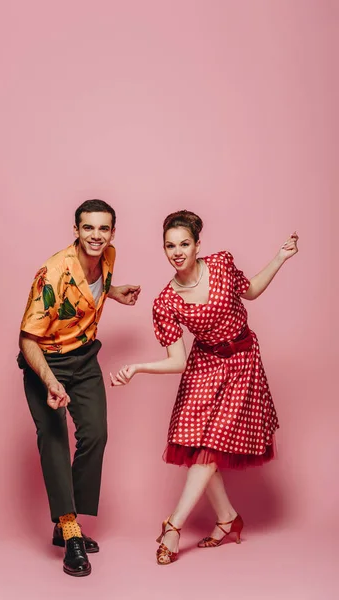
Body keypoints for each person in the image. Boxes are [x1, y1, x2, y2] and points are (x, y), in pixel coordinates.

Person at [110, 210, 298, 565]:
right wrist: (137, 368)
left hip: (242, 362)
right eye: (169, 245)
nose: (177, 251)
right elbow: (177, 360)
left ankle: (173, 526)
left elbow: (253, 291)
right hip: (203, 366)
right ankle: (227, 519)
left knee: (210, 445)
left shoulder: (223, 264)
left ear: (198, 245)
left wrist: (280, 257)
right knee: (198, 445)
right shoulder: (166, 301)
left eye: (184, 244)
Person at [18, 199, 140, 577]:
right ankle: (69, 531)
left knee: (96, 434)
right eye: (88, 228)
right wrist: (50, 381)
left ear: (112, 233)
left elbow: (90, 292)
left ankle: (66, 519)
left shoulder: (107, 256)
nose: (96, 236)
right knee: (54, 438)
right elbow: (27, 339)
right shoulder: (52, 273)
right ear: (76, 230)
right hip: (46, 363)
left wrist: (113, 292)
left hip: (84, 357)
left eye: (103, 229)